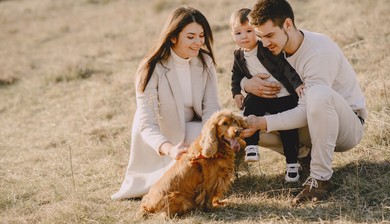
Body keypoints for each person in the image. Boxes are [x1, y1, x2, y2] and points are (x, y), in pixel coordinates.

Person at [241, 0, 367, 204]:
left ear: (288, 25)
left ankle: (320, 178)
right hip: (309, 123)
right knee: (243, 124)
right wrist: (245, 84)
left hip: (346, 127)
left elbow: (307, 108)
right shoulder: (270, 49)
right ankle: (303, 155)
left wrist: (264, 123)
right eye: (260, 37)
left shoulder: (319, 51)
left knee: (317, 94)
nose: (265, 44)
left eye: (270, 35)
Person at [111, 6, 221, 200]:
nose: (198, 42)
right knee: (168, 183)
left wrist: (211, 136)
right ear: (173, 37)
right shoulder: (151, 67)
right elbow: (146, 122)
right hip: (161, 133)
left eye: (201, 35)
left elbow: (211, 107)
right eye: (191, 37)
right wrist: (169, 148)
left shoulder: (205, 61)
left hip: (194, 126)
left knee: (215, 141)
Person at [230, 8, 304, 182]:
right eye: (238, 33)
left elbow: (286, 68)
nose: (244, 37)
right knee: (250, 108)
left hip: (284, 96)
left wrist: (297, 84)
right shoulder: (238, 55)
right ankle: (251, 145)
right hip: (261, 98)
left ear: (257, 32)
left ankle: (292, 164)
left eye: (249, 31)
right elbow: (236, 75)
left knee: (289, 131)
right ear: (232, 34)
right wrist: (236, 92)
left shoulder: (266, 50)